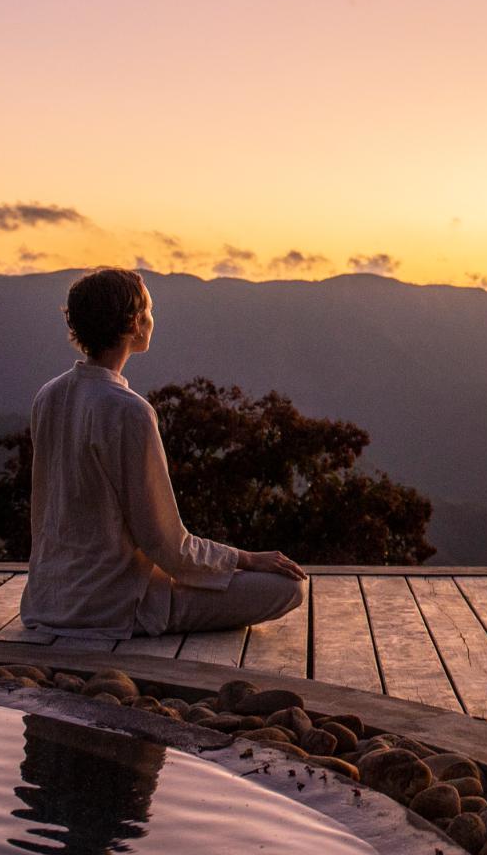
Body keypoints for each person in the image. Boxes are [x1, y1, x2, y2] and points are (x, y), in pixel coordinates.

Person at [20, 267, 305, 640]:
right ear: (134, 323)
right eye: (150, 310)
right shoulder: (128, 411)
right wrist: (245, 558)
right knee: (288, 588)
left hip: (47, 601)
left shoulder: (49, 396)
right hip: (112, 606)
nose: (153, 319)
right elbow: (167, 544)